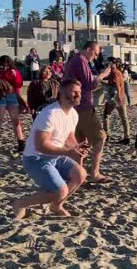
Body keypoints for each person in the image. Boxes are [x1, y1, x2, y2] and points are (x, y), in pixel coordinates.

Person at [13, 79, 89, 219]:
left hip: (56, 155)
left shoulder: (73, 114)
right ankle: (22, 203)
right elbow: (41, 145)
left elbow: (69, 137)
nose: (78, 95)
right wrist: (68, 152)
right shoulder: (50, 114)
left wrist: (77, 148)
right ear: (61, 93)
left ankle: (57, 206)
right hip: (36, 159)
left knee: (81, 174)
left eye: (79, 92)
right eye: (74, 92)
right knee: (60, 191)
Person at [63, 41, 111, 184]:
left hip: (73, 107)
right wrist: (102, 75)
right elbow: (89, 85)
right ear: (88, 49)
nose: (95, 57)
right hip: (83, 106)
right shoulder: (81, 61)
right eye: (95, 53)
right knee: (99, 138)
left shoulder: (74, 61)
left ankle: (78, 174)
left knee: (80, 142)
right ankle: (94, 173)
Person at [0, 55, 25, 153]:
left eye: (7, 64)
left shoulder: (13, 72)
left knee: (16, 121)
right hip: (0, 97)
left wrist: (14, 75)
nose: (5, 66)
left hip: (12, 96)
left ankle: (21, 143)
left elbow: (19, 84)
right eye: (3, 64)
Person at [102, 61, 131, 145]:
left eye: (109, 64)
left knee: (106, 115)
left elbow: (116, 85)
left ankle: (107, 134)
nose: (108, 65)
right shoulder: (118, 72)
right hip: (122, 97)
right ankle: (127, 137)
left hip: (114, 98)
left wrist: (118, 96)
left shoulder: (114, 73)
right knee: (124, 117)